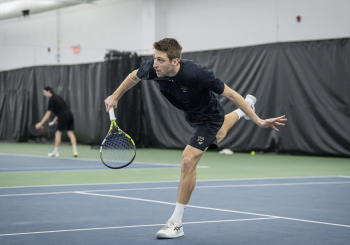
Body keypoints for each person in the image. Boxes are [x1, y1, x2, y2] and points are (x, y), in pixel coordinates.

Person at [104, 38, 287, 239]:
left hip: (209, 117)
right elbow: (133, 76)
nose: (155, 64)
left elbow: (232, 94)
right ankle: (244, 110)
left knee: (188, 160)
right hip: (191, 115)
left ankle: (176, 222)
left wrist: (259, 121)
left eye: (160, 60)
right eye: (154, 58)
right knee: (221, 132)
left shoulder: (197, 74)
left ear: (175, 61)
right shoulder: (153, 68)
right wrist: (115, 96)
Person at [36, 87, 78, 157]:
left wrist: (41, 123)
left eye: (44, 92)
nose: (44, 94)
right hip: (70, 116)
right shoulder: (58, 97)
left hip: (63, 117)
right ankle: (75, 151)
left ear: (49, 91)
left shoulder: (52, 99)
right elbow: (62, 109)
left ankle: (55, 151)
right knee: (70, 133)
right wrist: (55, 119)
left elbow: (48, 113)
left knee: (58, 133)